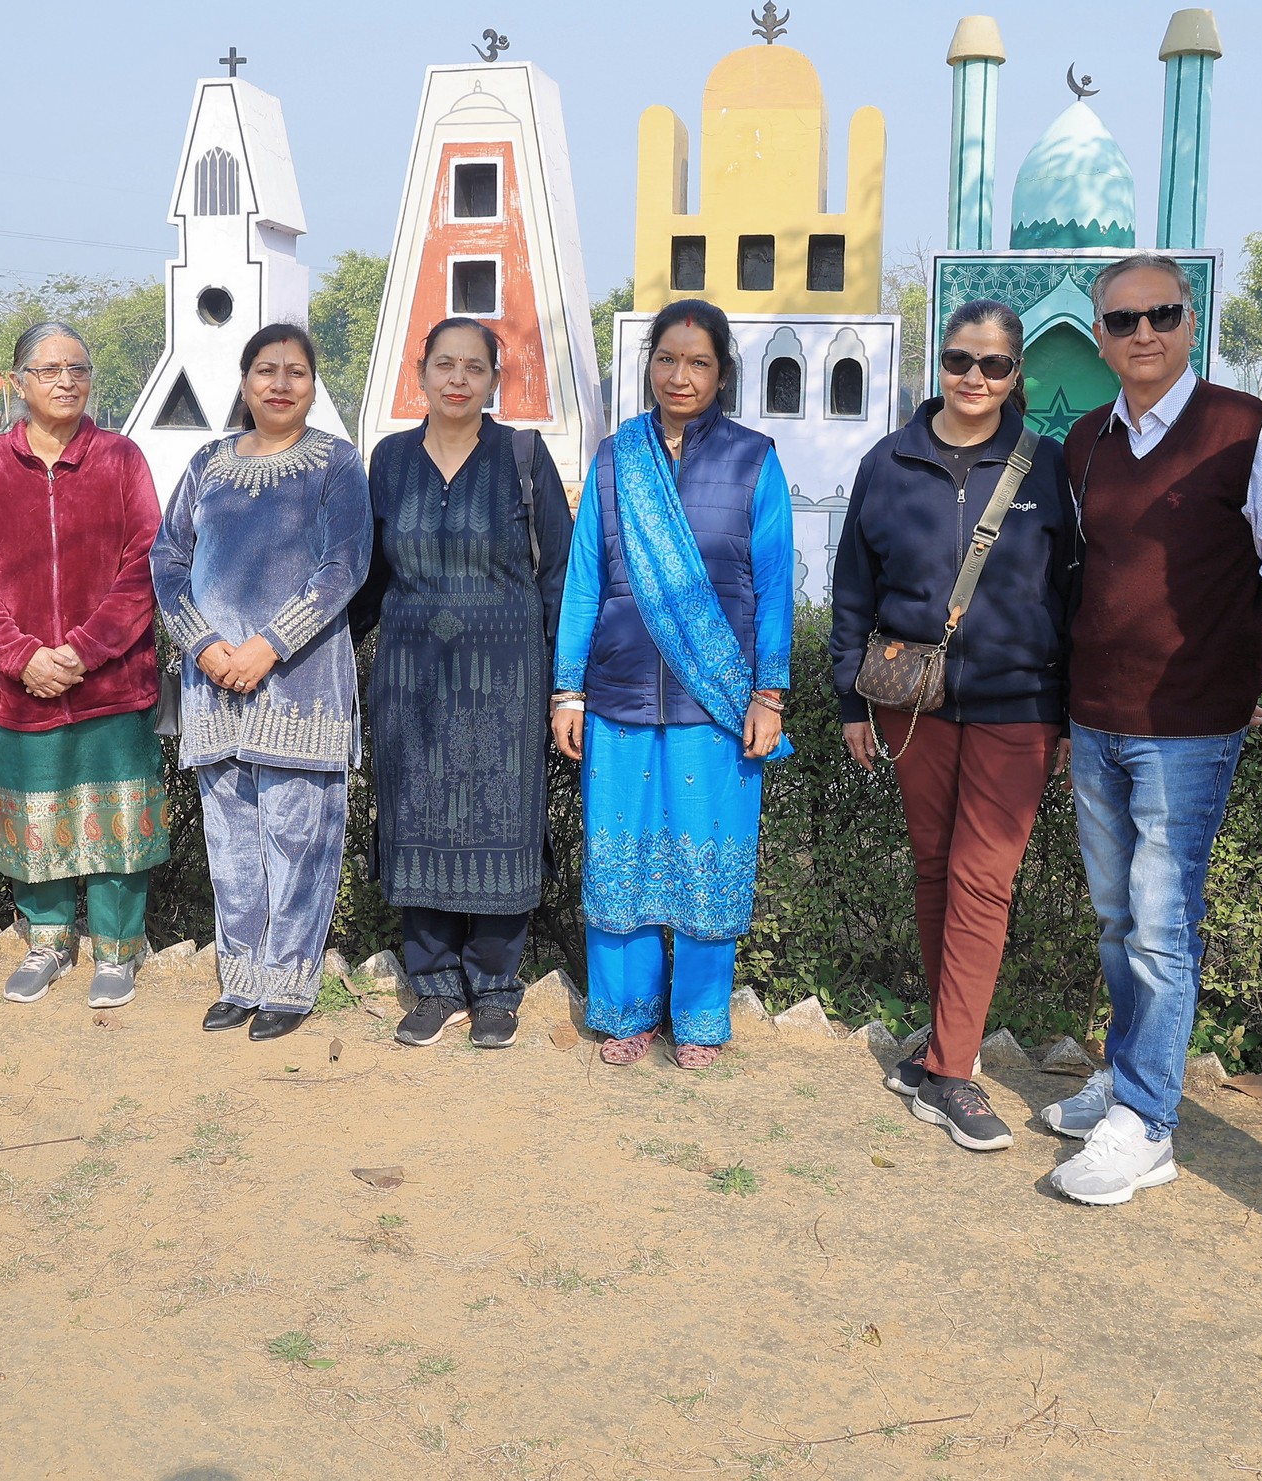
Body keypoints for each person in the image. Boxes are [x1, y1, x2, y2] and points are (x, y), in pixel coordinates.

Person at [1041, 253, 1262, 1205]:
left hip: (1188, 729)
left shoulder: (1248, 431)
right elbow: (1082, 578)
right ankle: (1128, 1077)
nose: (1143, 333)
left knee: (1161, 925)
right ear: (1100, 336)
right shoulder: (1086, 441)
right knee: (1118, 918)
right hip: (1097, 717)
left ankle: (1147, 1123)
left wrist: (1239, 676)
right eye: (1122, 320)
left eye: (1160, 313)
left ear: (1190, 321)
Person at [831, 300, 1076, 1150]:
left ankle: (950, 1070)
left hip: (1019, 704)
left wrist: (1069, 711)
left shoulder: (1046, 465)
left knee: (982, 878)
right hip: (912, 702)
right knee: (936, 870)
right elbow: (852, 588)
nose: (975, 377)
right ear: (940, 362)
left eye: (994, 364)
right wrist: (850, 701)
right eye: (960, 360)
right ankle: (942, 1049)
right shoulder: (890, 460)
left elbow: (1074, 592)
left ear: (1016, 374)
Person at [553, 299, 792, 1071]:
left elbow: (774, 588)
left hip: (716, 705)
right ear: (648, 362)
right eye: (666, 358)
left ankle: (698, 1020)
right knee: (619, 862)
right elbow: (585, 580)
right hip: (619, 695)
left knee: (704, 861)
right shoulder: (615, 458)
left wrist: (769, 694)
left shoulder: (754, 460)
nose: (679, 375)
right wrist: (568, 689)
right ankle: (625, 1012)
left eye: (698, 362)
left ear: (722, 372)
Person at [349, 318, 572, 1050]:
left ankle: (497, 990)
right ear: (420, 373)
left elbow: (559, 574)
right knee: (414, 820)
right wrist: (305, 650)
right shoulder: (389, 460)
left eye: (474, 367)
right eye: (444, 364)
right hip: (410, 680)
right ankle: (436, 986)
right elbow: (368, 577)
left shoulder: (522, 456)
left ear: (494, 381)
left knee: (503, 823)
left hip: (506, 684)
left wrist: (565, 683)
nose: (458, 379)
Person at [151, 322, 371, 1042]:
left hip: (300, 687)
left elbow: (344, 566)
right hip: (213, 686)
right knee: (231, 845)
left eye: (296, 372)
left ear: (314, 384)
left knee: (297, 838)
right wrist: (204, 644)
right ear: (244, 382)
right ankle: (240, 979)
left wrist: (267, 646)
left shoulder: (336, 463)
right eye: (266, 371)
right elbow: (167, 559)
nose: (281, 384)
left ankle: (289, 985)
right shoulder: (208, 463)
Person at [0, 321, 169, 1007]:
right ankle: (47, 941)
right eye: (48, 370)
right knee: (31, 815)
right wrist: (22, 657)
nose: (66, 381)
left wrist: (83, 649)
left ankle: (117, 950)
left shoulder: (121, 459)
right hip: (14, 690)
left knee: (118, 822)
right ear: (18, 382)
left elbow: (145, 564)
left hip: (111, 684)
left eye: (78, 368)